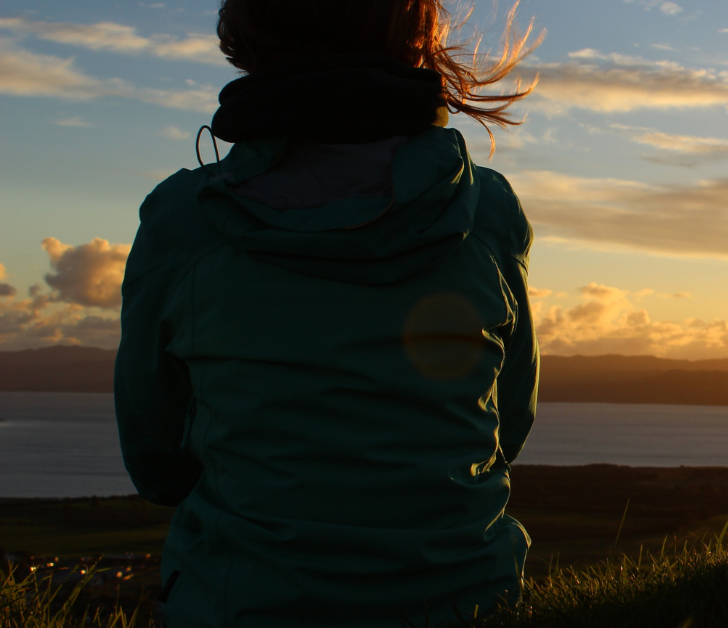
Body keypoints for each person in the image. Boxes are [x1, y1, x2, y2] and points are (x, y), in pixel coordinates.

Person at [113, 1, 541, 625]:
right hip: (464, 606)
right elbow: (509, 428)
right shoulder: (486, 211)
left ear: (250, 38)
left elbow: (157, 464)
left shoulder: (185, 222)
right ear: (414, 38)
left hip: (245, 608)